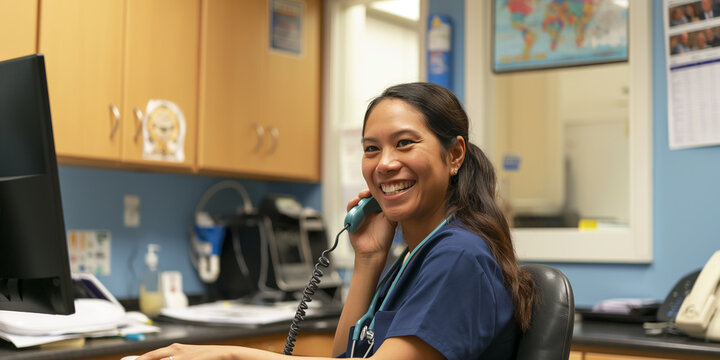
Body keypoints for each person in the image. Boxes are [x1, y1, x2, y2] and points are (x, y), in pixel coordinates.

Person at [135, 82, 536, 360]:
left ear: (455, 155)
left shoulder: (459, 256)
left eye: (404, 143)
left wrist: (228, 352)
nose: (385, 164)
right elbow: (348, 355)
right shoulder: (416, 257)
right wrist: (368, 258)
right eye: (371, 149)